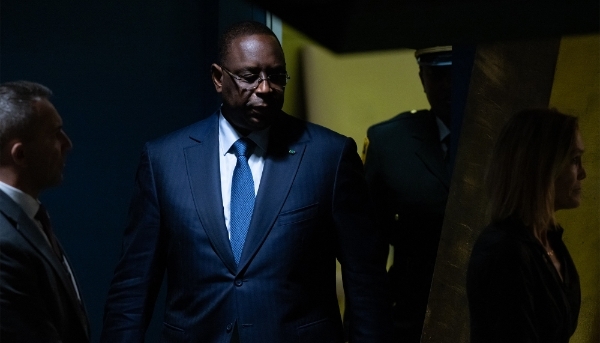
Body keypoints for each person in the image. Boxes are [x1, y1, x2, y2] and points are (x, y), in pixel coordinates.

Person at [101, 21, 392, 343]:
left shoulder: (329, 156)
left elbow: (366, 279)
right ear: (217, 78)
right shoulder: (165, 160)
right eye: (249, 77)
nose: (265, 89)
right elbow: (134, 283)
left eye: (277, 76)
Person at [466, 108, 584, 343]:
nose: (583, 173)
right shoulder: (505, 252)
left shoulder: (550, 242)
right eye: (574, 160)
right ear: (543, 166)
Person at [362, 46, 452, 341]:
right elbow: (367, 250)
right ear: (421, 77)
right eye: (437, 75)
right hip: (413, 316)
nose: (448, 86)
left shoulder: (510, 139)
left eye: (454, 73)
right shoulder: (391, 143)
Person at [0, 81, 90, 342]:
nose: (68, 144)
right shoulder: (4, 244)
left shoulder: (28, 219)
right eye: (55, 134)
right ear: (20, 155)